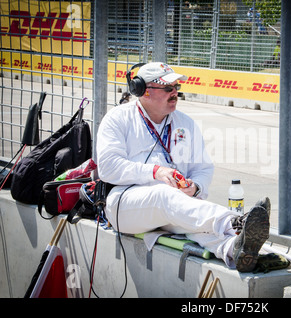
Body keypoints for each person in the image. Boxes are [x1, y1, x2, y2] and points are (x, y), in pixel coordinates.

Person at [96, 62, 271, 272]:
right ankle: (234, 223)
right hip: (124, 205)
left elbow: (203, 168)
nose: (174, 93)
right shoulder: (117, 119)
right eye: (168, 88)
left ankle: (236, 250)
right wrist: (155, 172)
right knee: (164, 195)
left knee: (195, 222)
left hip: (174, 204)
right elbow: (107, 167)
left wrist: (195, 187)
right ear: (143, 91)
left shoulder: (185, 123)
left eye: (176, 88)